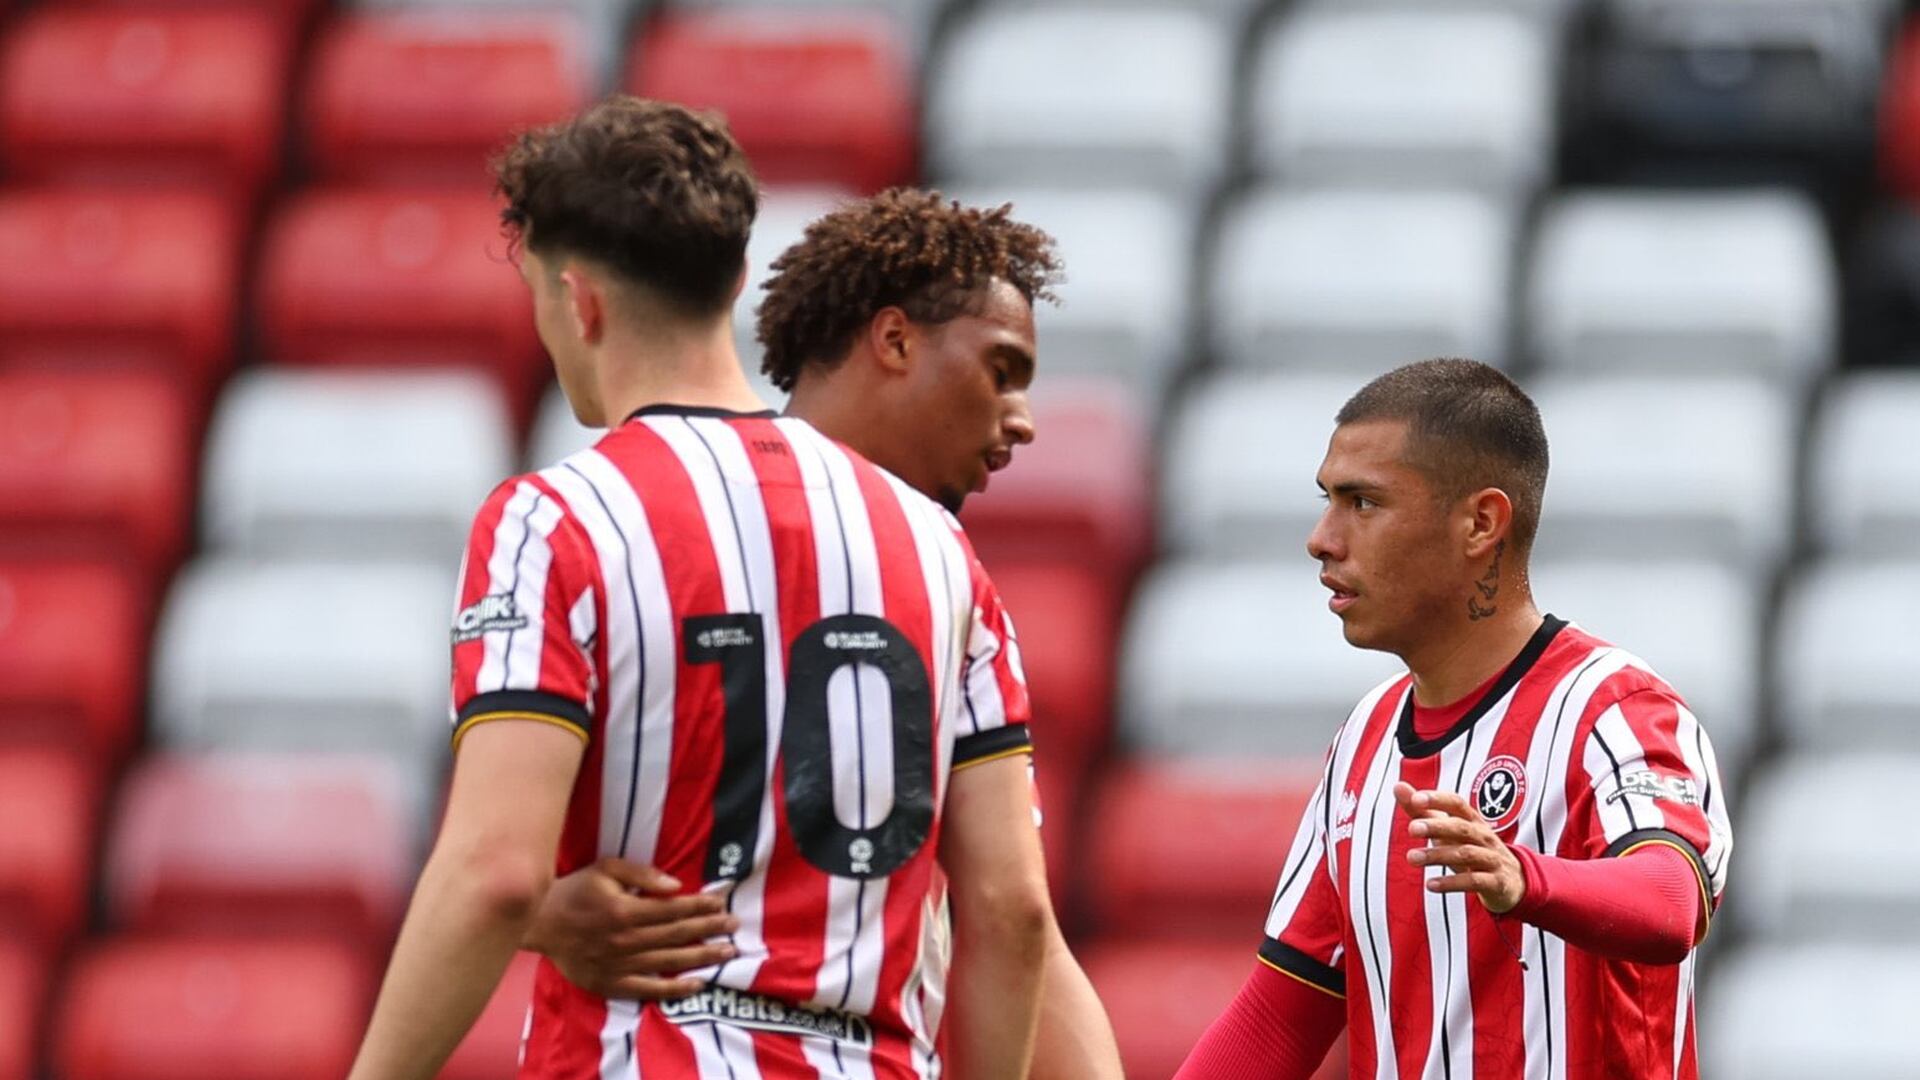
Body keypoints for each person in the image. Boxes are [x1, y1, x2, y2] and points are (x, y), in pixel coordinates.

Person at [349, 98, 1055, 1080]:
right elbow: (1013, 914)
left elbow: (496, 876)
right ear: (728, 282)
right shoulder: (937, 548)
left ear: (578, 301)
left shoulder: (558, 519)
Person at [520, 189, 1126, 1080]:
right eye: (1002, 370)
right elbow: (1011, 912)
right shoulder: (945, 577)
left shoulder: (636, 525)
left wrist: (529, 913)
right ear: (893, 340)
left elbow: (1014, 919)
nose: (1022, 421)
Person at [1175, 359, 1734, 1079]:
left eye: (1363, 503)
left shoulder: (1613, 708)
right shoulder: (1366, 740)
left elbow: (1669, 904)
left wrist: (1524, 879)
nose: (1322, 538)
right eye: (1327, 501)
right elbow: (1279, 1018)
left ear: (1480, 523)